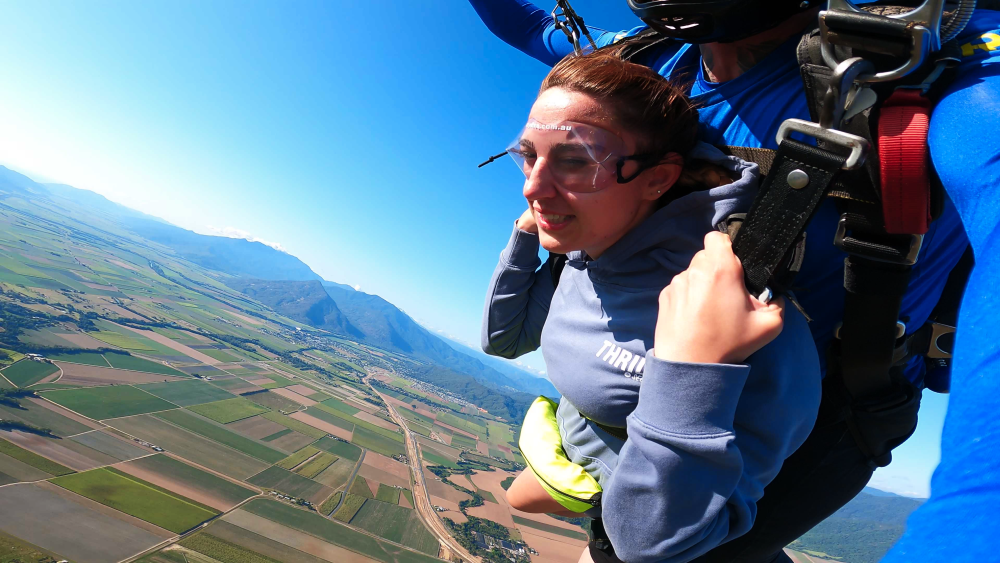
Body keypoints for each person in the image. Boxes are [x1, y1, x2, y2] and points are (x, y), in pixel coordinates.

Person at [469, 1, 1000, 561]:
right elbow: (523, 21)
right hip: (644, 396)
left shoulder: (940, 67)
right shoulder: (647, 64)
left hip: (809, 426)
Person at [482, 50, 821, 562]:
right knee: (516, 497)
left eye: (575, 160)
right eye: (529, 155)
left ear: (657, 179)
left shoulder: (729, 303)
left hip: (647, 533)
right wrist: (527, 233)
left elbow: (652, 542)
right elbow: (502, 339)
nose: (532, 185)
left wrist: (694, 364)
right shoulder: (589, 250)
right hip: (591, 469)